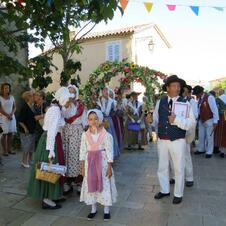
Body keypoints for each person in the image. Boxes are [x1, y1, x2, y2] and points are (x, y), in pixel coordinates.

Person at [27, 87, 74, 209]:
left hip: (52, 140)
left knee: (53, 168)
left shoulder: (57, 109)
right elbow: (52, 131)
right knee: (49, 168)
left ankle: (52, 195)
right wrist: (51, 150)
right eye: (68, 99)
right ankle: (47, 199)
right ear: (62, 98)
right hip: (50, 141)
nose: (69, 102)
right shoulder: (55, 110)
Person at [153, 75, 196, 204]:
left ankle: (178, 193)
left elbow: (191, 123)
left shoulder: (185, 102)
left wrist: (177, 120)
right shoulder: (160, 102)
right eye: (174, 86)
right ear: (168, 88)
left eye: (178, 86)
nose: (177, 88)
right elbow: (156, 119)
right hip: (162, 140)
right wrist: (151, 122)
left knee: (178, 167)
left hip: (178, 140)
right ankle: (164, 190)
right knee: (162, 166)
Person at [79, 109, 117, 221]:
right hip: (89, 163)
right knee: (91, 183)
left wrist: (109, 167)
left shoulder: (106, 135)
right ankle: (93, 208)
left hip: (103, 163)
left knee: (104, 184)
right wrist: (82, 167)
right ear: (87, 121)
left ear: (100, 119)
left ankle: (106, 210)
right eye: (90, 119)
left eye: (96, 119)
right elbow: (82, 150)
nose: (93, 121)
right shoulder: (85, 135)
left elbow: (110, 151)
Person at [62, 85, 86, 195]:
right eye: (69, 93)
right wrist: (66, 105)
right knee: (66, 156)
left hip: (77, 132)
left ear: (76, 94)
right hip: (67, 132)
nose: (71, 95)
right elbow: (62, 117)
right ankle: (67, 182)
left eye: (73, 93)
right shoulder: (64, 105)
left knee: (77, 156)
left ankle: (79, 182)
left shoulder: (80, 106)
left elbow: (84, 121)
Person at [193, 86, 219, 158]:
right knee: (201, 136)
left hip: (209, 120)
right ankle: (201, 149)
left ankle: (209, 151)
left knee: (209, 136)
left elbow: (215, 109)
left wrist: (215, 121)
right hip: (201, 120)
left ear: (201, 92)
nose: (196, 95)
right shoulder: (200, 99)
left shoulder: (210, 97)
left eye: (197, 94)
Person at [97, 87, 120, 158]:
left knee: (109, 137)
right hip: (100, 121)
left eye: (106, 91)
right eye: (104, 91)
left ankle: (110, 154)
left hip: (108, 121)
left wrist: (115, 110)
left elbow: (114, 112)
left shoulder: (112, 102)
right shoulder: (99, 101)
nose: (105, 92)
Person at [18, 91, 36, 168]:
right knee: (26, 147)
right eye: (32, 95)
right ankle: (24, 162)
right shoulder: (24, 107)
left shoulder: (32, 106)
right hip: (26, 131)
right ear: (28, 97)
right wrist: (25, 129)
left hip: (32, 129)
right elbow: (20, 120)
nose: (34, 97)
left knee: (31, 146)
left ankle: (30, 160)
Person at [0, 83, 17, 156]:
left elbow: (15, 107)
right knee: (4, 134)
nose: (7, 89)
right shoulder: (0, 98)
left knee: (10, 134)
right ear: (2, 89)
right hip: (3, 118)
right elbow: (0, 109)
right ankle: (5, 151)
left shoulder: (12, 97)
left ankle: (10, 149)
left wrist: (11, 114)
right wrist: (7, 115)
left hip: (12, 117)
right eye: (5, 88)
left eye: (8, 88)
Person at [214, 89, 226, 158]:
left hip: (222, 117)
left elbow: (216, 109)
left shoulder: (218, 99)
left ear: (219, 93)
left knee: (221, 133)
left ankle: (222, 151)